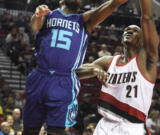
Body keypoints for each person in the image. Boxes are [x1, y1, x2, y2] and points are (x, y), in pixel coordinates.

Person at [22, 0, 128, 135]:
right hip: (40, 75)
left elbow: (113, 4)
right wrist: (37, 15)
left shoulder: (85, 20)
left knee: (56, 131)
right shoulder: (48, 14)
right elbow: (34, 26)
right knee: (29, 130)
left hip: (63, 80)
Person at [76, 0, 159, 134]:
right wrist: (93, 70)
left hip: (133, 126)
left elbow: (147, 18)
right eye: (127, 30)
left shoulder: (146, 61)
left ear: (143, 40)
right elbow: (74, 73)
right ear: (121, 38)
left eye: (135, 31)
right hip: (105, 125)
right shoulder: (108, 62)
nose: (129, 32)